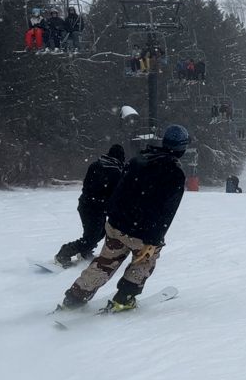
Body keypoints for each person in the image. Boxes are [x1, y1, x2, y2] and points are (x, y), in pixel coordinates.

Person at [59, 125, 190, 312]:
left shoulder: (139, 160)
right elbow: (166, 212)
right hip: (143, 232)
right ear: (182, 147)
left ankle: (75, 297)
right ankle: (124, 298)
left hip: (117, 225)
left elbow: (118, 191)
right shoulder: (174, 172)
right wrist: (154, 241)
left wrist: (113, 218)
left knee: (104, 262)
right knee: (143, 262)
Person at [54, 144, 125, 267]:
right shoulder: (115, 172)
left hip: (88, 205)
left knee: (100, 232)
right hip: (94, 208)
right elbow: (114, 194)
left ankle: (84, 252)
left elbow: (87, 185)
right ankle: (64, 254)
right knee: (91, 237)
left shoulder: (95, 165)